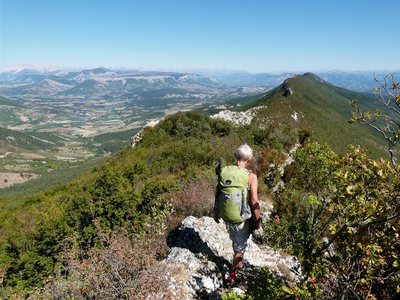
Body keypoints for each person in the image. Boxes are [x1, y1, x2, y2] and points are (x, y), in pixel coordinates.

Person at [213, 144, 261, 283]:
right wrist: (257, 221)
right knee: (239, 249)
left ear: (236, 157)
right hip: (240, 219)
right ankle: (233, 273)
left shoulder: (224, 172)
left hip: (226, 215)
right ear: (249, 160)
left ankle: (237, 260)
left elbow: (218, 192)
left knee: (235, 239)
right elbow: (254, 202)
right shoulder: (251, 176)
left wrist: (215, 211)